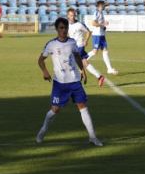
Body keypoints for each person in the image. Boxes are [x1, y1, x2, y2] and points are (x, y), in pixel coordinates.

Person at [36, 17, 102, 147]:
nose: (64, 30)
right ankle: (43, 131)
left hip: (75, 81)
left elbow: (77, 56)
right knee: (55, 110)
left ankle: (92, 137)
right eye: (61, 28)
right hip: (59, 83)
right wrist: (45, 71)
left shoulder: (72, 42)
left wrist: (82, 70)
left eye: (65, 27)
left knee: (83, 107)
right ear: (56, 29)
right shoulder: (52, 44)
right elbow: (40, 60)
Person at [67, 8, 106, 87]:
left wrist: (86, 41)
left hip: (79, 46)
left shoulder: (79, 24)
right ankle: (99, 76)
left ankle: (78, 77)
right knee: (84, 63)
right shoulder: (67, 25)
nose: (73, 17)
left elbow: (88, 31)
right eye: (71, 16)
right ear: (68, 16)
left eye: (74, 15)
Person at [87, 0, 119, 75]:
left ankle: (109, 69)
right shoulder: (97, 13)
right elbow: (93, 23)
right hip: (97, 35)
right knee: (95, 52)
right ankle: (83, 60)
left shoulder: (101, 13)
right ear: (101, 6)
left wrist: (103, 27)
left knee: (105, 50)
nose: (105, 6)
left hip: (101, 34)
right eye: (104, 5)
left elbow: (99, 24)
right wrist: (103, 24)